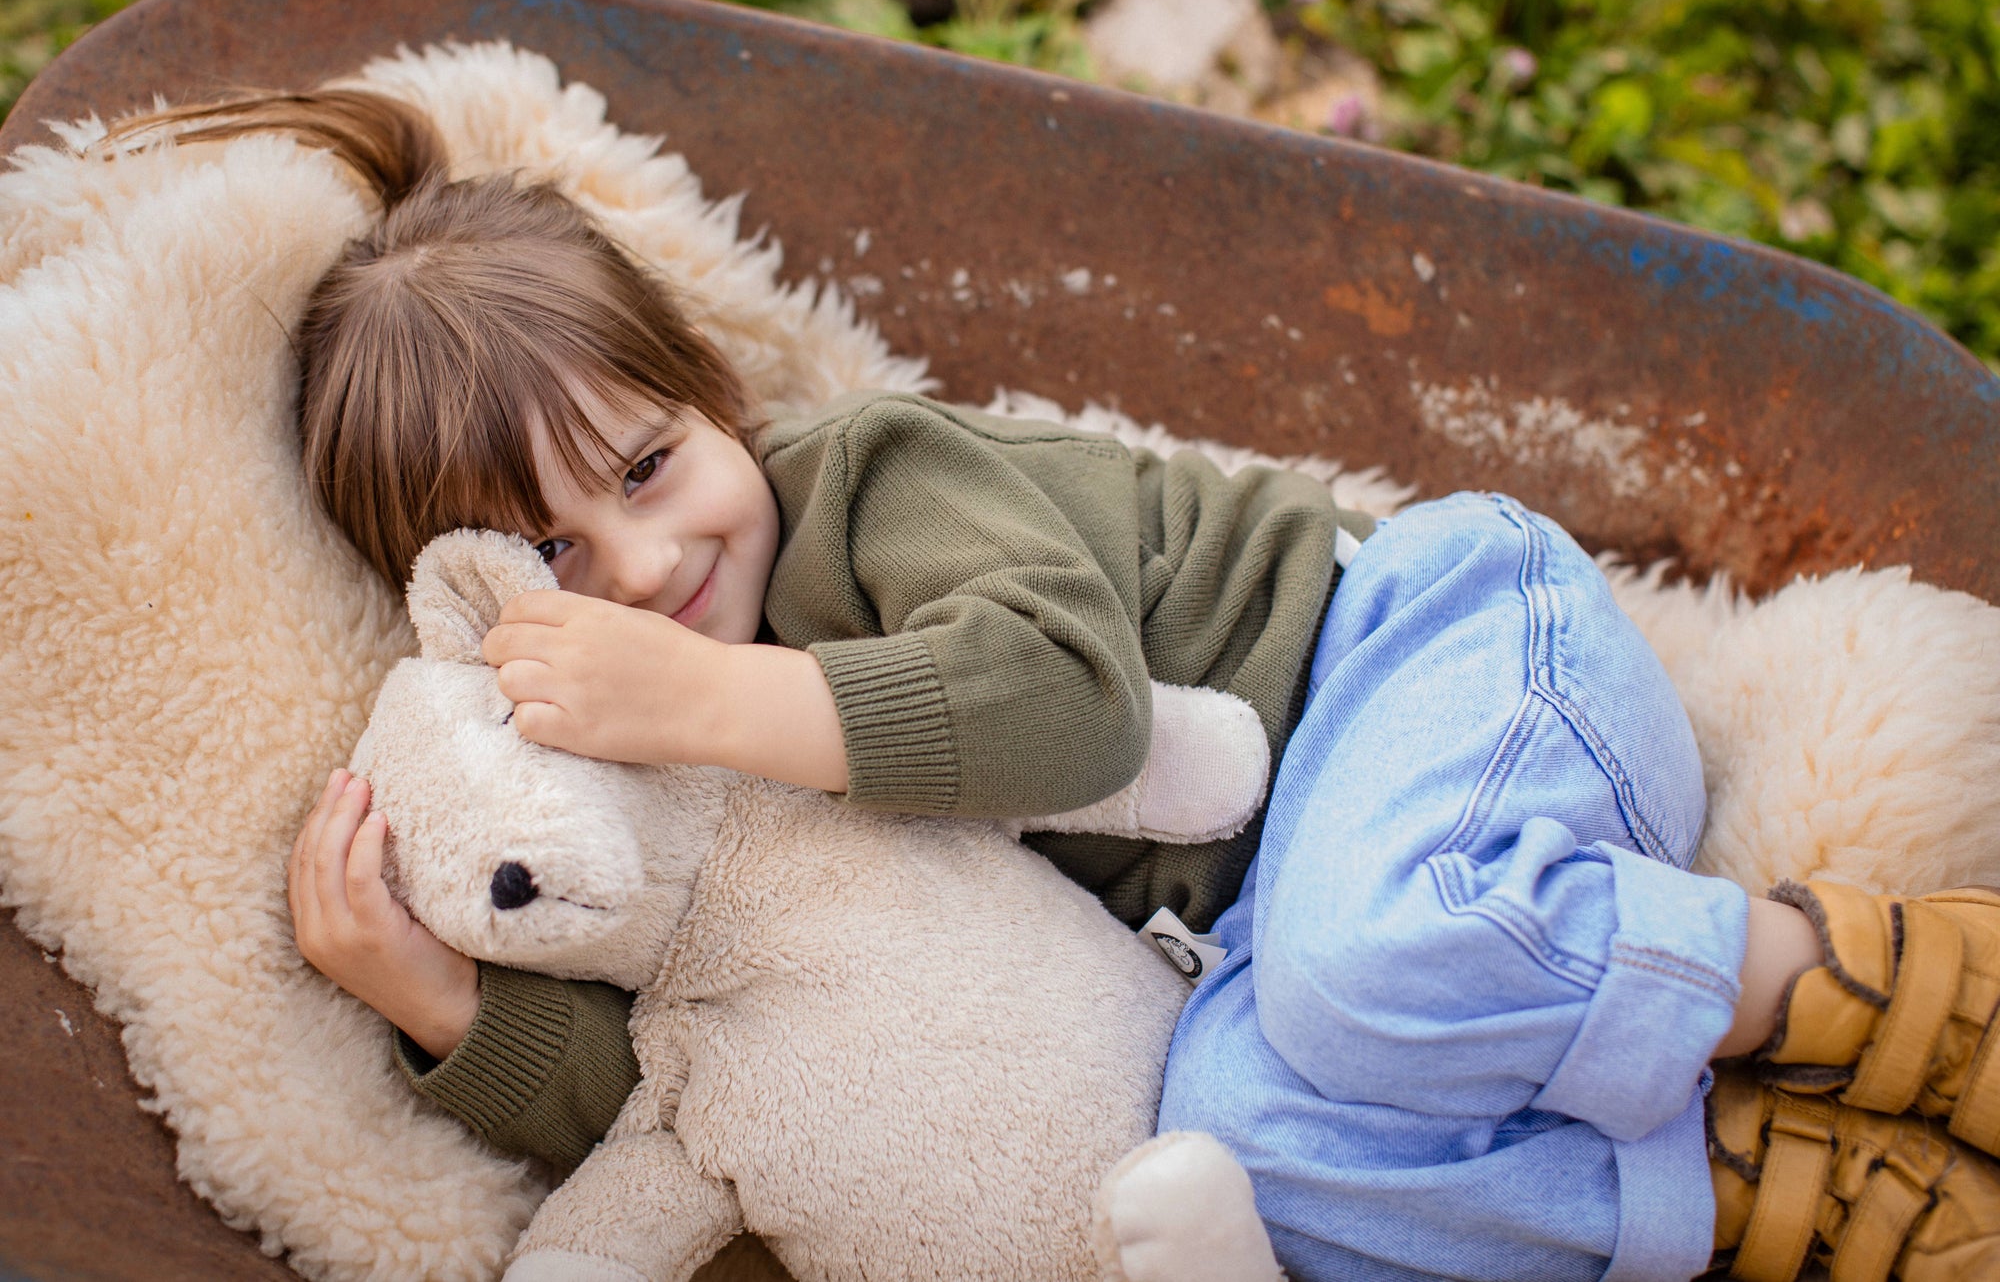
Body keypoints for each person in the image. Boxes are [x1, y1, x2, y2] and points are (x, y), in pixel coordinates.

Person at [121, 88, 2000, 1281]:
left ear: (721, 401)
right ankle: (1777, 1194)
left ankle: (1872, 978)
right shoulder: (615, 767)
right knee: (1239, 1153)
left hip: (1438, 668)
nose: (639, 574)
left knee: (1367, 963)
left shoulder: (870, 483)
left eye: (644, 470)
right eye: (540, 561)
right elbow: (675, 1073)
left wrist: (697, 705)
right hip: (1297, 937)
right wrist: (445, 1005)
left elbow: (1069, 711)